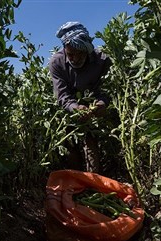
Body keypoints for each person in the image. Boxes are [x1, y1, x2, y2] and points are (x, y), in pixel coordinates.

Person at [49, 21, 112, 173]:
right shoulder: (57, 63)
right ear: (64, 49)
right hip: (69, 109)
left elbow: (109, 87)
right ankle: (76, 181)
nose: (75, 59)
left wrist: (103, 102)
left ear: (87, 50)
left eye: (80, 54)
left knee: (91, 141)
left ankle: (93, 181)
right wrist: (75, 108)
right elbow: (62, 95)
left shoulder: (102, 61)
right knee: (70, 144)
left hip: (93, 106)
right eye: (70, 54)